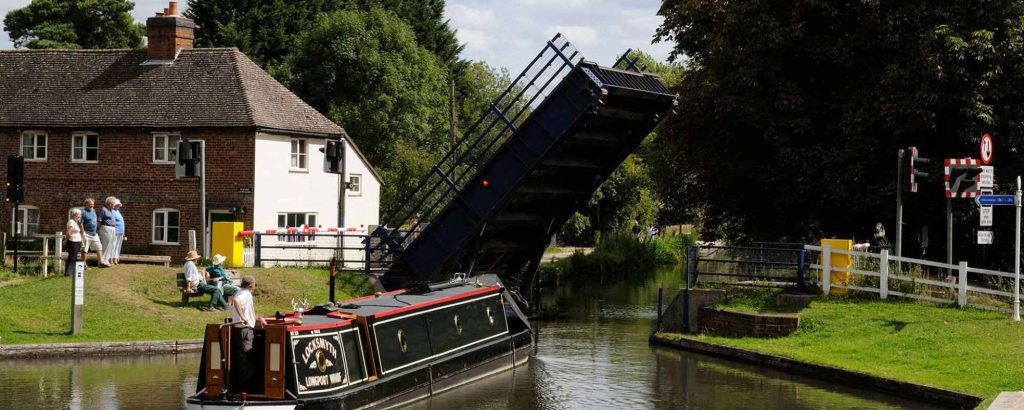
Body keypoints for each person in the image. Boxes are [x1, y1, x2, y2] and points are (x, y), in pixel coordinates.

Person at [230, 276, 258, 352]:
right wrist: (243, 317)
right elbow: (236, 301)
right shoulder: (246, 294)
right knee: (247, 354)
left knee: (239, 355)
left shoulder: (239, 292)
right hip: (245, 329)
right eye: (254, 284)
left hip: (238, 328)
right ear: (251, 286)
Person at [80, 198, 103, 267]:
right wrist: (83, 233)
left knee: (99, 247)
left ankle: (100, 262)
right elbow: (80, 223)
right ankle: (84, 264)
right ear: (86, 204)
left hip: (94, 233)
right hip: (86, 233)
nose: (92, 206)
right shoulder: (83, 212)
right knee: (85, 249)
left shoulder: (93, 211)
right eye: (90, 204)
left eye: (93, 204)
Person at [98, 197, 118, 266]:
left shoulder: (110, 210)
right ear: (110, 203)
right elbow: (99, 220)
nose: (114, 205)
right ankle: (101, 262)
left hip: (112, 228)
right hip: (106, 228)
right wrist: (98, 230)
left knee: (110, 246)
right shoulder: (103, 209)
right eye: (113, 203)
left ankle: (106, 261)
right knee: (105, 245)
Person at [65, 209, 84, 277]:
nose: (80, 216)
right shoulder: (71, 222)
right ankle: (68, 272)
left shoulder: (76, 223)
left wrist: (81, 224)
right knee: (72, 257)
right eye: (78, 215)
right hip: (73, 241)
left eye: (80, 215)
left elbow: (82, 232)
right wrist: (67, 240)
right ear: (74, 215)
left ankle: (72, 271)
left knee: (74, 257)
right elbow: (69, 232)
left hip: (77, 241)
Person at [111, 199, 125, 265]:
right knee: (113, 245)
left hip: (121, 231)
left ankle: (116, 258)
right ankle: (111, 258)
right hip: (115, 230)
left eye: (119, 205)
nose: (118, 206)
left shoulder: (118, 211)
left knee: (118, 246)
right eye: (117, 205)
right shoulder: (112, 211)